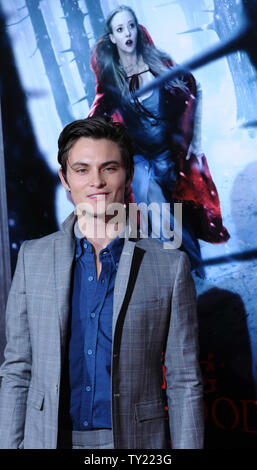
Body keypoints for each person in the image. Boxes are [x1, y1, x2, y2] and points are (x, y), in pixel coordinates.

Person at [0, 116, 204, 449]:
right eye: (82, 170)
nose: (96, 181)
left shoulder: (169, 266)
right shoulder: (32, 257)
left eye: (109, 168)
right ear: (65, 179)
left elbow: (184, 381)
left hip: (134, 443)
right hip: (48, 438)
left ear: (128, 175)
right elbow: (17, 368)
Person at [89, 5, 229, 277]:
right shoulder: (112, 81)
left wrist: (195, 139)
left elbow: (191, 85)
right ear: (113, 38)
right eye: (120, 29)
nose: (127, 33)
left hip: (170, 153)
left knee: (182, 211)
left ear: (137, 28)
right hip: (141, 160)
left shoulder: (158, 63)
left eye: (130, 25)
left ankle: (195, 269)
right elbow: (97, 117)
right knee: (157, 208)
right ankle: (183, 271)